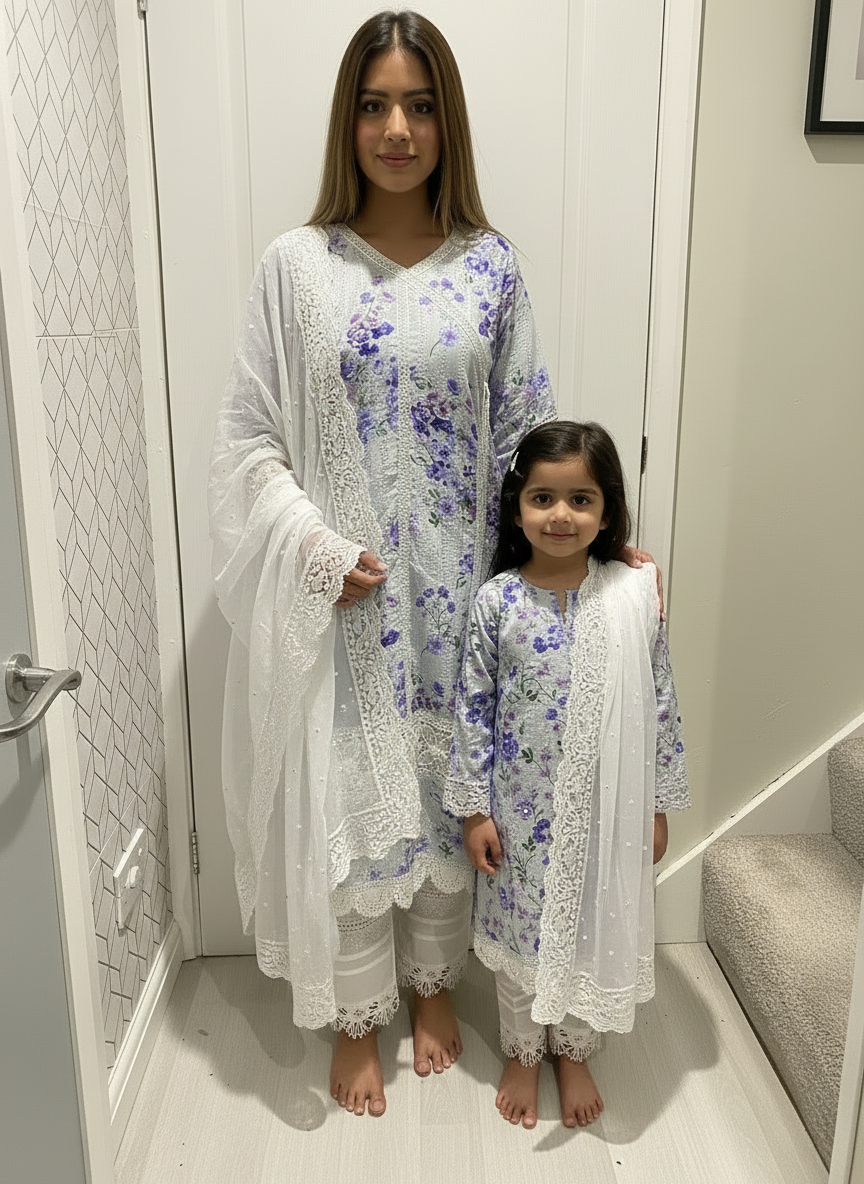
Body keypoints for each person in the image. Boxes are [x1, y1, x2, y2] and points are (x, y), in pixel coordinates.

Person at [209, 11, 651, 1121]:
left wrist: (601, 553)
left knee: (457, 790)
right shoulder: (297, 269)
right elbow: (248, 440)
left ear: (446, 121)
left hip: (465, 596)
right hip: (346, 601)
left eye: (418, 106)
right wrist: (313, 546)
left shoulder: (490, 267)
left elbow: (528, 442)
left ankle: (435, 985)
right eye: (374, 106)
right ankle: (361, 1015)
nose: (397, 130)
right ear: (347, 122)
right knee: (352, 790)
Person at [445, 421, 689, 1130]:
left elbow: (660, 704)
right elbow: (472, 712)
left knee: (589, 925)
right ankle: (524, 1051)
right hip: (518, 817)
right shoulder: (497, 602)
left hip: (606, 811)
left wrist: (655, 805)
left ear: (607, 511)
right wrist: (474, 811)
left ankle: (574, 1049)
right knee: (522, 938)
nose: (561, 515)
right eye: (543, 498)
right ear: (518, 507)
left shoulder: (629, 598)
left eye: (581, 499)